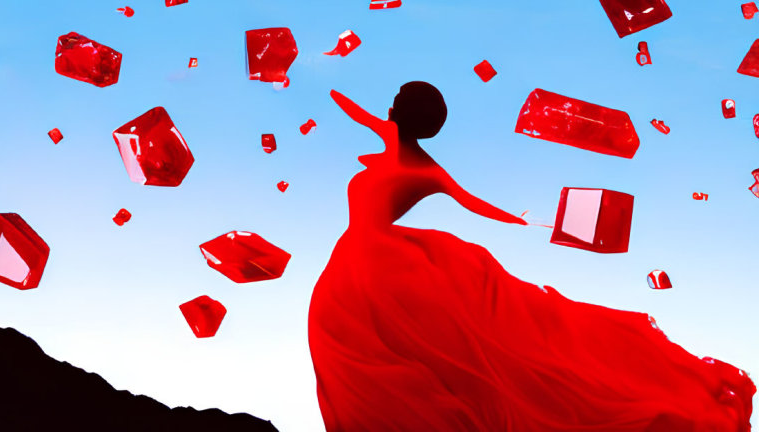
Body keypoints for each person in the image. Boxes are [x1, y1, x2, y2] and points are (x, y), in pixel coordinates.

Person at [308, 82, 755, 431]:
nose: (387, 111)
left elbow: (475, 204)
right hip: (371, 260)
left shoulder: (424, 166)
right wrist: (329, 85)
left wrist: (523, 221)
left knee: (389, 357)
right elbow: (358, 112)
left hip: (376, 263)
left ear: (399, 113)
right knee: (388, 359)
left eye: (393, 104)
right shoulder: (417, 159)